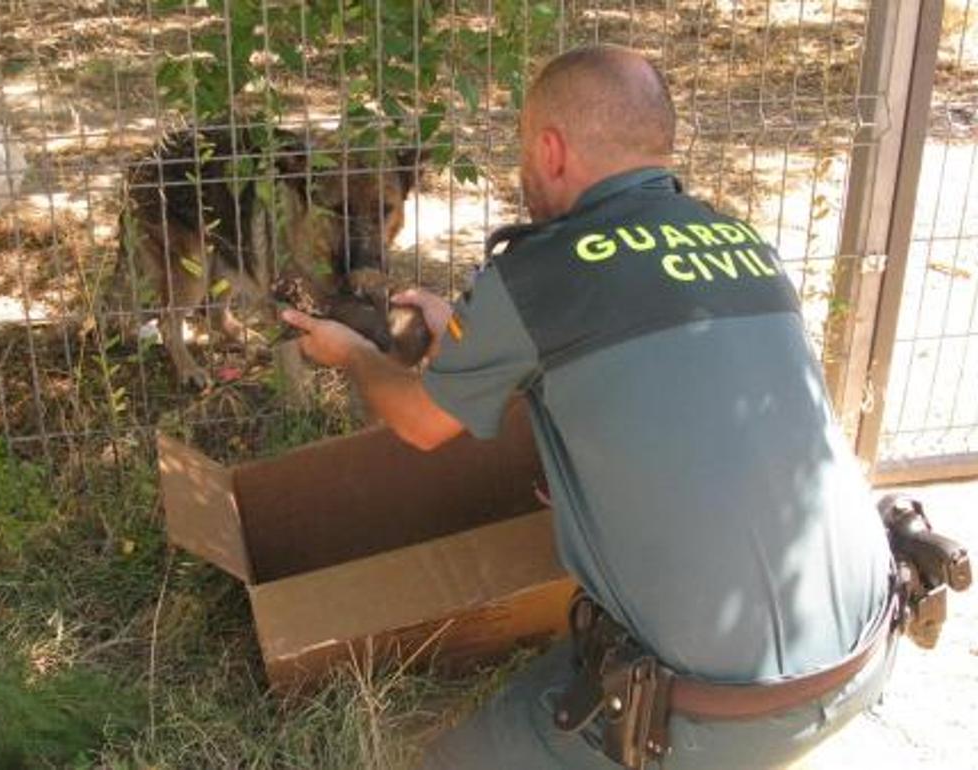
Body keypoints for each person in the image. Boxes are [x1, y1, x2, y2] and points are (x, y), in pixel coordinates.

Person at [282, 45, 896, 770]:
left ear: (549, 149)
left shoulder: (540, 273)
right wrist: (468, 326)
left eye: (520, 152)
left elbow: (418, 422)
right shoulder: (745, 244)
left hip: (722, 709)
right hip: (866, 650)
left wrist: (353, 353)